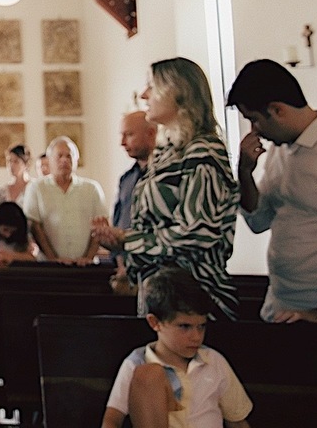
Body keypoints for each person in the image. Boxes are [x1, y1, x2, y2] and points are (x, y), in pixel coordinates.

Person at [92, 58, 240, 319]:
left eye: (152, 86)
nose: (144, 95)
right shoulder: (166, 153)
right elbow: (154, 226)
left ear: (178, 91)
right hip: (158, 292)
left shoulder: (203, 150)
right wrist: (117, 242)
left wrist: (127, 239)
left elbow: (197, 233)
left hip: (192, 300)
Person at [228, 59, 317, 324]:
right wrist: (245, 174)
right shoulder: (278, 150)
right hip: (278, 302)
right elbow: (259, 221)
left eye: (254, 120)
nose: (254, 131)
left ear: (277, 110)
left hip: (316, 312)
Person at [101, 266, 252, 428]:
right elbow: (112, 420)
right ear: (155, 322)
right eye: (184, 326)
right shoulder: (136, 363)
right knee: (149, 374)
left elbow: (237, 421)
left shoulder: (214, 361)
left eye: (201, 326)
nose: (196, 336)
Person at [24, 136, 106, 264]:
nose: (64, 160)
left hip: (86, 266)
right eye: (59, 156)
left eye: (69, 156)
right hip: (48, 266)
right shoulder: (36, 188)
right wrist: (53, 259)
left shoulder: (92, 188)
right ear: (49, 160)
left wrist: (88, 258)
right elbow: (35, 226)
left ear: (76, 160)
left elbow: (100, 226)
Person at [115, 111, 158, 230]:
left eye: (129, 135)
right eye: (122, 135)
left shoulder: (166, 174)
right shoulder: (126, 179)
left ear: (150, 133)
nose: (122, 143)